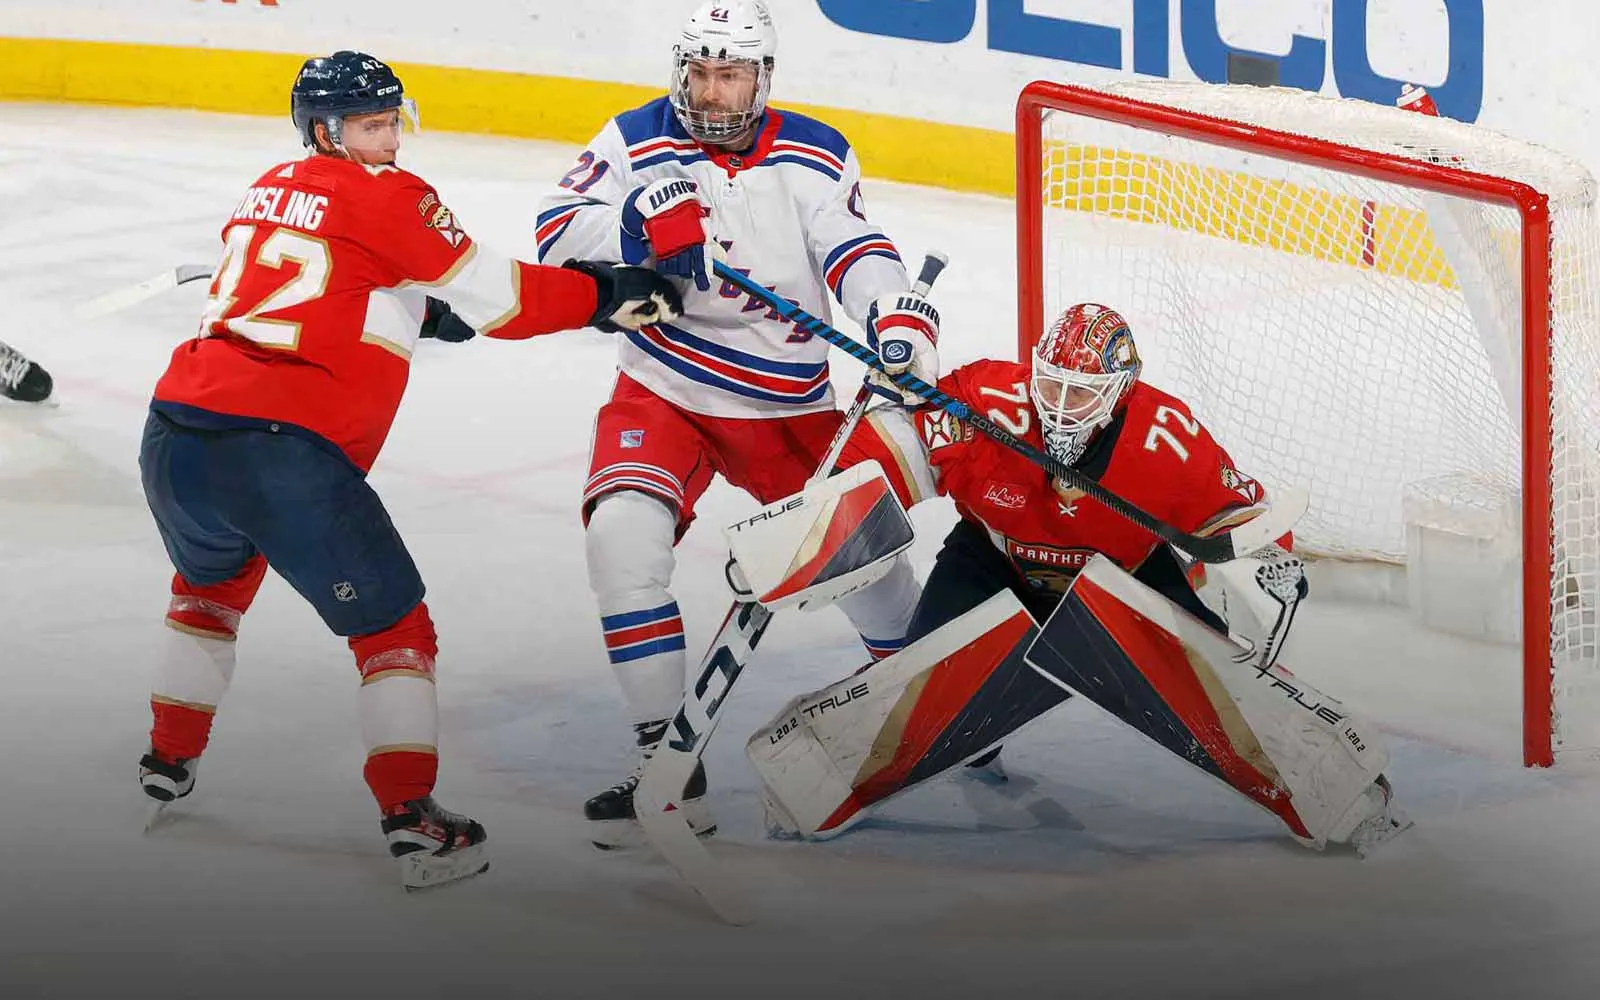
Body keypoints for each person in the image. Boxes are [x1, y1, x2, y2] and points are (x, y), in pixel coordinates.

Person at [136, 50, 682, 889]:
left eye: (392, 120)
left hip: (174, 437)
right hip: (282, 453)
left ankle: (168, 759)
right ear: (327, 131)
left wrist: (421, 310)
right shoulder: (389, 195)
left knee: (208, 593)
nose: (389, 138)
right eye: (369, 124)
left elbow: (318, 286)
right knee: (395, 633)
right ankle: (413, 823)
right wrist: (603, 295)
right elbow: (507, 300)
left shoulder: (267, 186)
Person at [534, 0, 939, 848]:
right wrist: (636, 220)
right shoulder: (635, 138)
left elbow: (853, 247)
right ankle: (668, 766)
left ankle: (936, 710)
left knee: (867, 568)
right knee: (621, 541)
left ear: (762, 79)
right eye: (700, 73)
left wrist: (892, 314)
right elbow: (555, 233)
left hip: (786, 403)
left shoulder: (815, 150)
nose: (712, 92)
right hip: (664, 389)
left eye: (731, 75)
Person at [780, 302, 1405, 848]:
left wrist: (1266, 559)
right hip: (995, 558)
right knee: (922, 692)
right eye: (1050, 385)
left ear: (1119, 392)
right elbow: (897, 452)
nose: (1058, 407)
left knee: (1219, 674)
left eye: (1079, 394)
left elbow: (1237, 515)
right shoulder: (989, 400)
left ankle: (1333, 782)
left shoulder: (1168, 439)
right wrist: (873, 439)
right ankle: (846, 768)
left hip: (1123, 572)